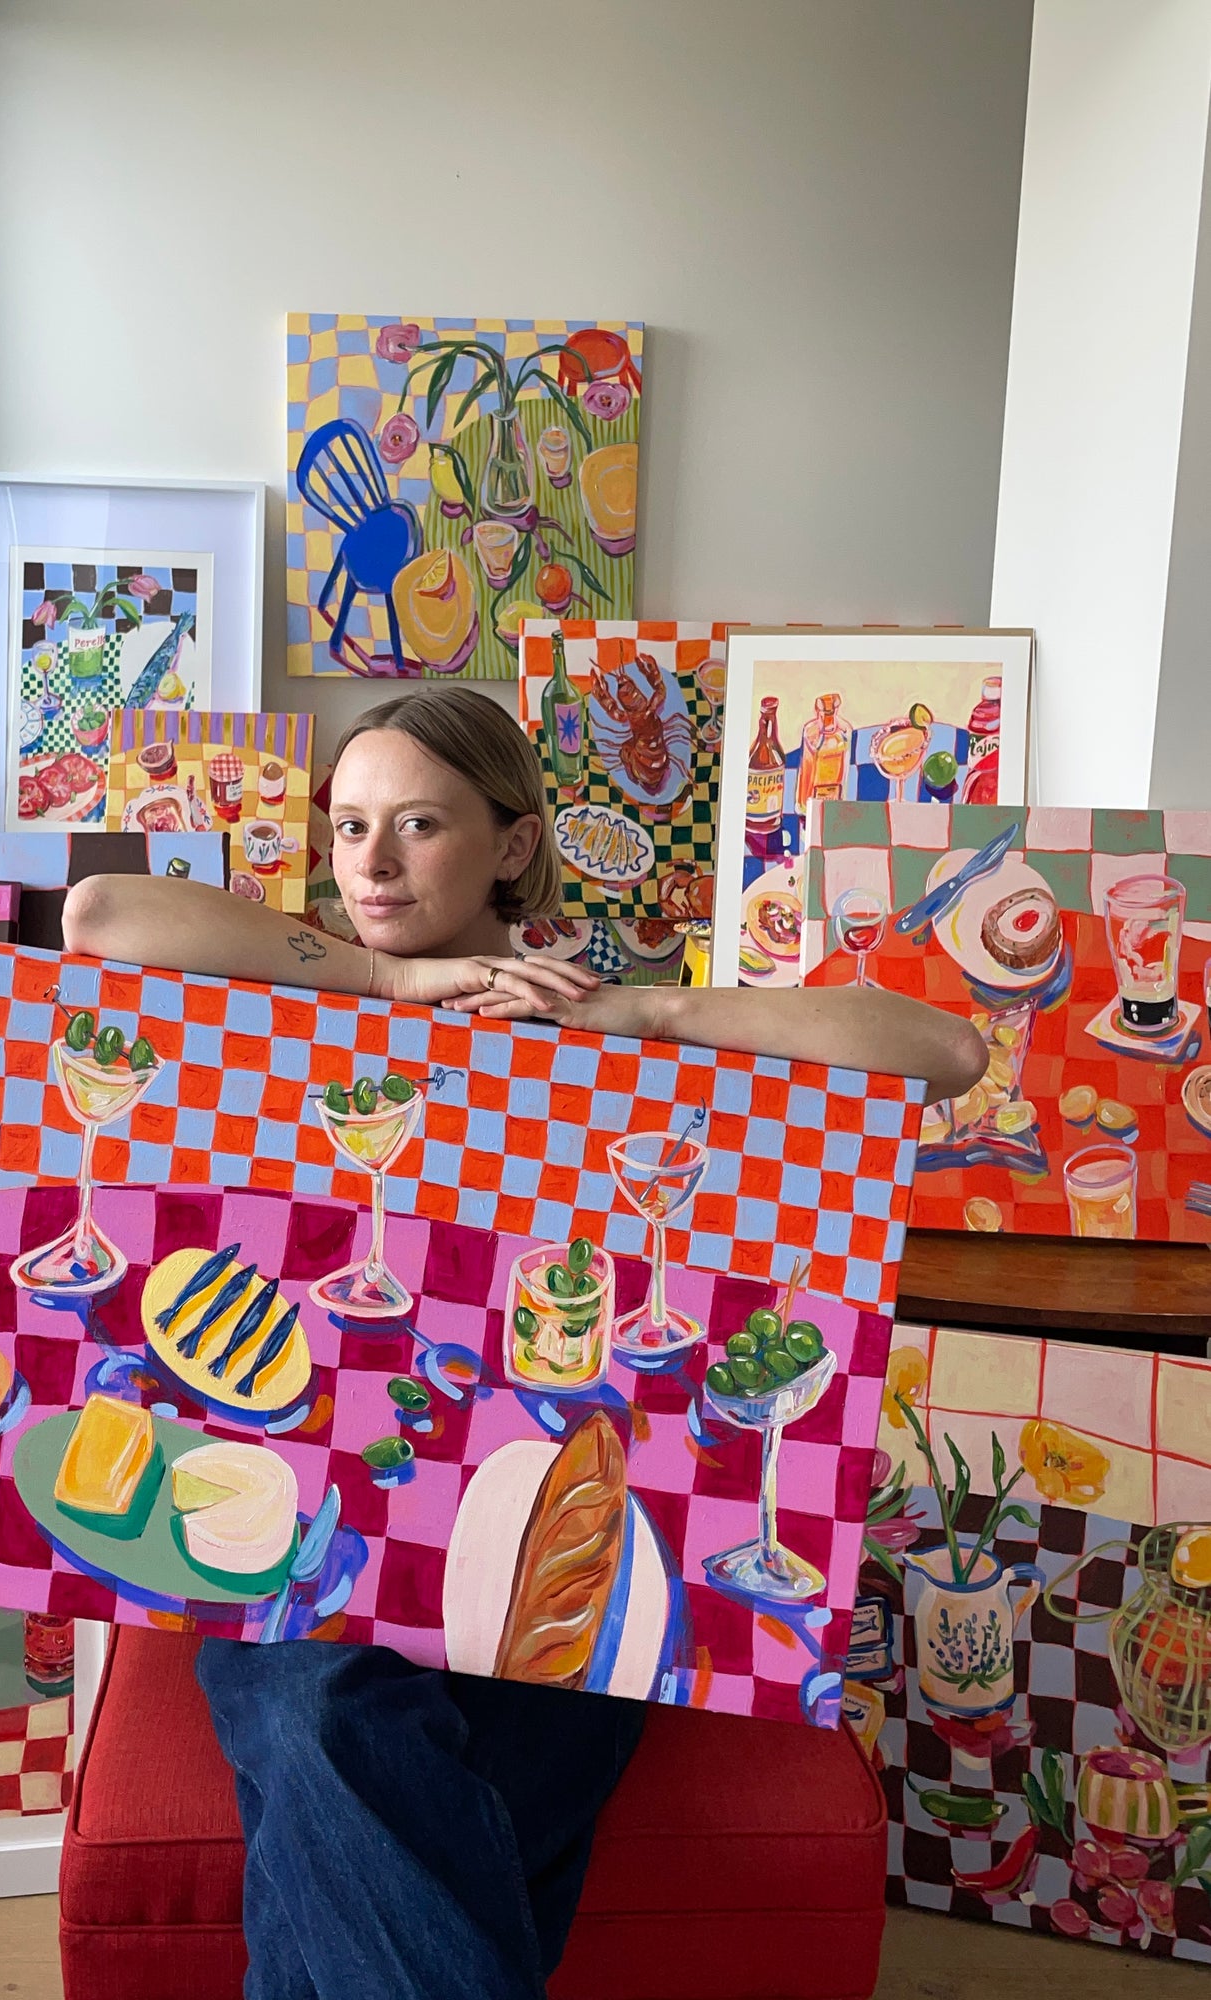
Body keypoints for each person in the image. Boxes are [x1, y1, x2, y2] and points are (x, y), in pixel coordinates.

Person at [64, 686, 985, 2000]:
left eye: (419, 824)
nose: (372, 864)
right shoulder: (300, 992)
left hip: (564, 1544)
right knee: (314, 1708)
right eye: (350, 827)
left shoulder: (605, 1020)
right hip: (307, 1530)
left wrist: (648, 1017)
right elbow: (102, 915)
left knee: (359, 1771)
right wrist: (389, 981)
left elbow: (945, 1051)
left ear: (513, 843)